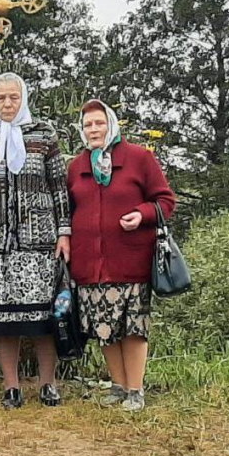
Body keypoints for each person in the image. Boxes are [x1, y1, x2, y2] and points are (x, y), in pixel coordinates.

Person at [0, 73, 71, 409]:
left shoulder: (43, 134)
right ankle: (11, 387)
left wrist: (64, 231)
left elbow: (59, 187)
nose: (7, 104)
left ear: (24, 98)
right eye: (1, 98)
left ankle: (48, 384)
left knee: (43, 319)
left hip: (39, 241)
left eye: (13, 97)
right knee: (2, 319)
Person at [67, 99, 175, 412]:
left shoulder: (139, 158)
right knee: (104, 328)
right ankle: (117, 386)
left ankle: (135, 390)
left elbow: (165, 201)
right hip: (90, 263)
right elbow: (69, 210)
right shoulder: (77, 166)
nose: (93, 129)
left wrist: (142, 214)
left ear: (111, 124)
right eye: (88, 125)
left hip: (131, 261)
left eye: (99, 123)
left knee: (132, 328)